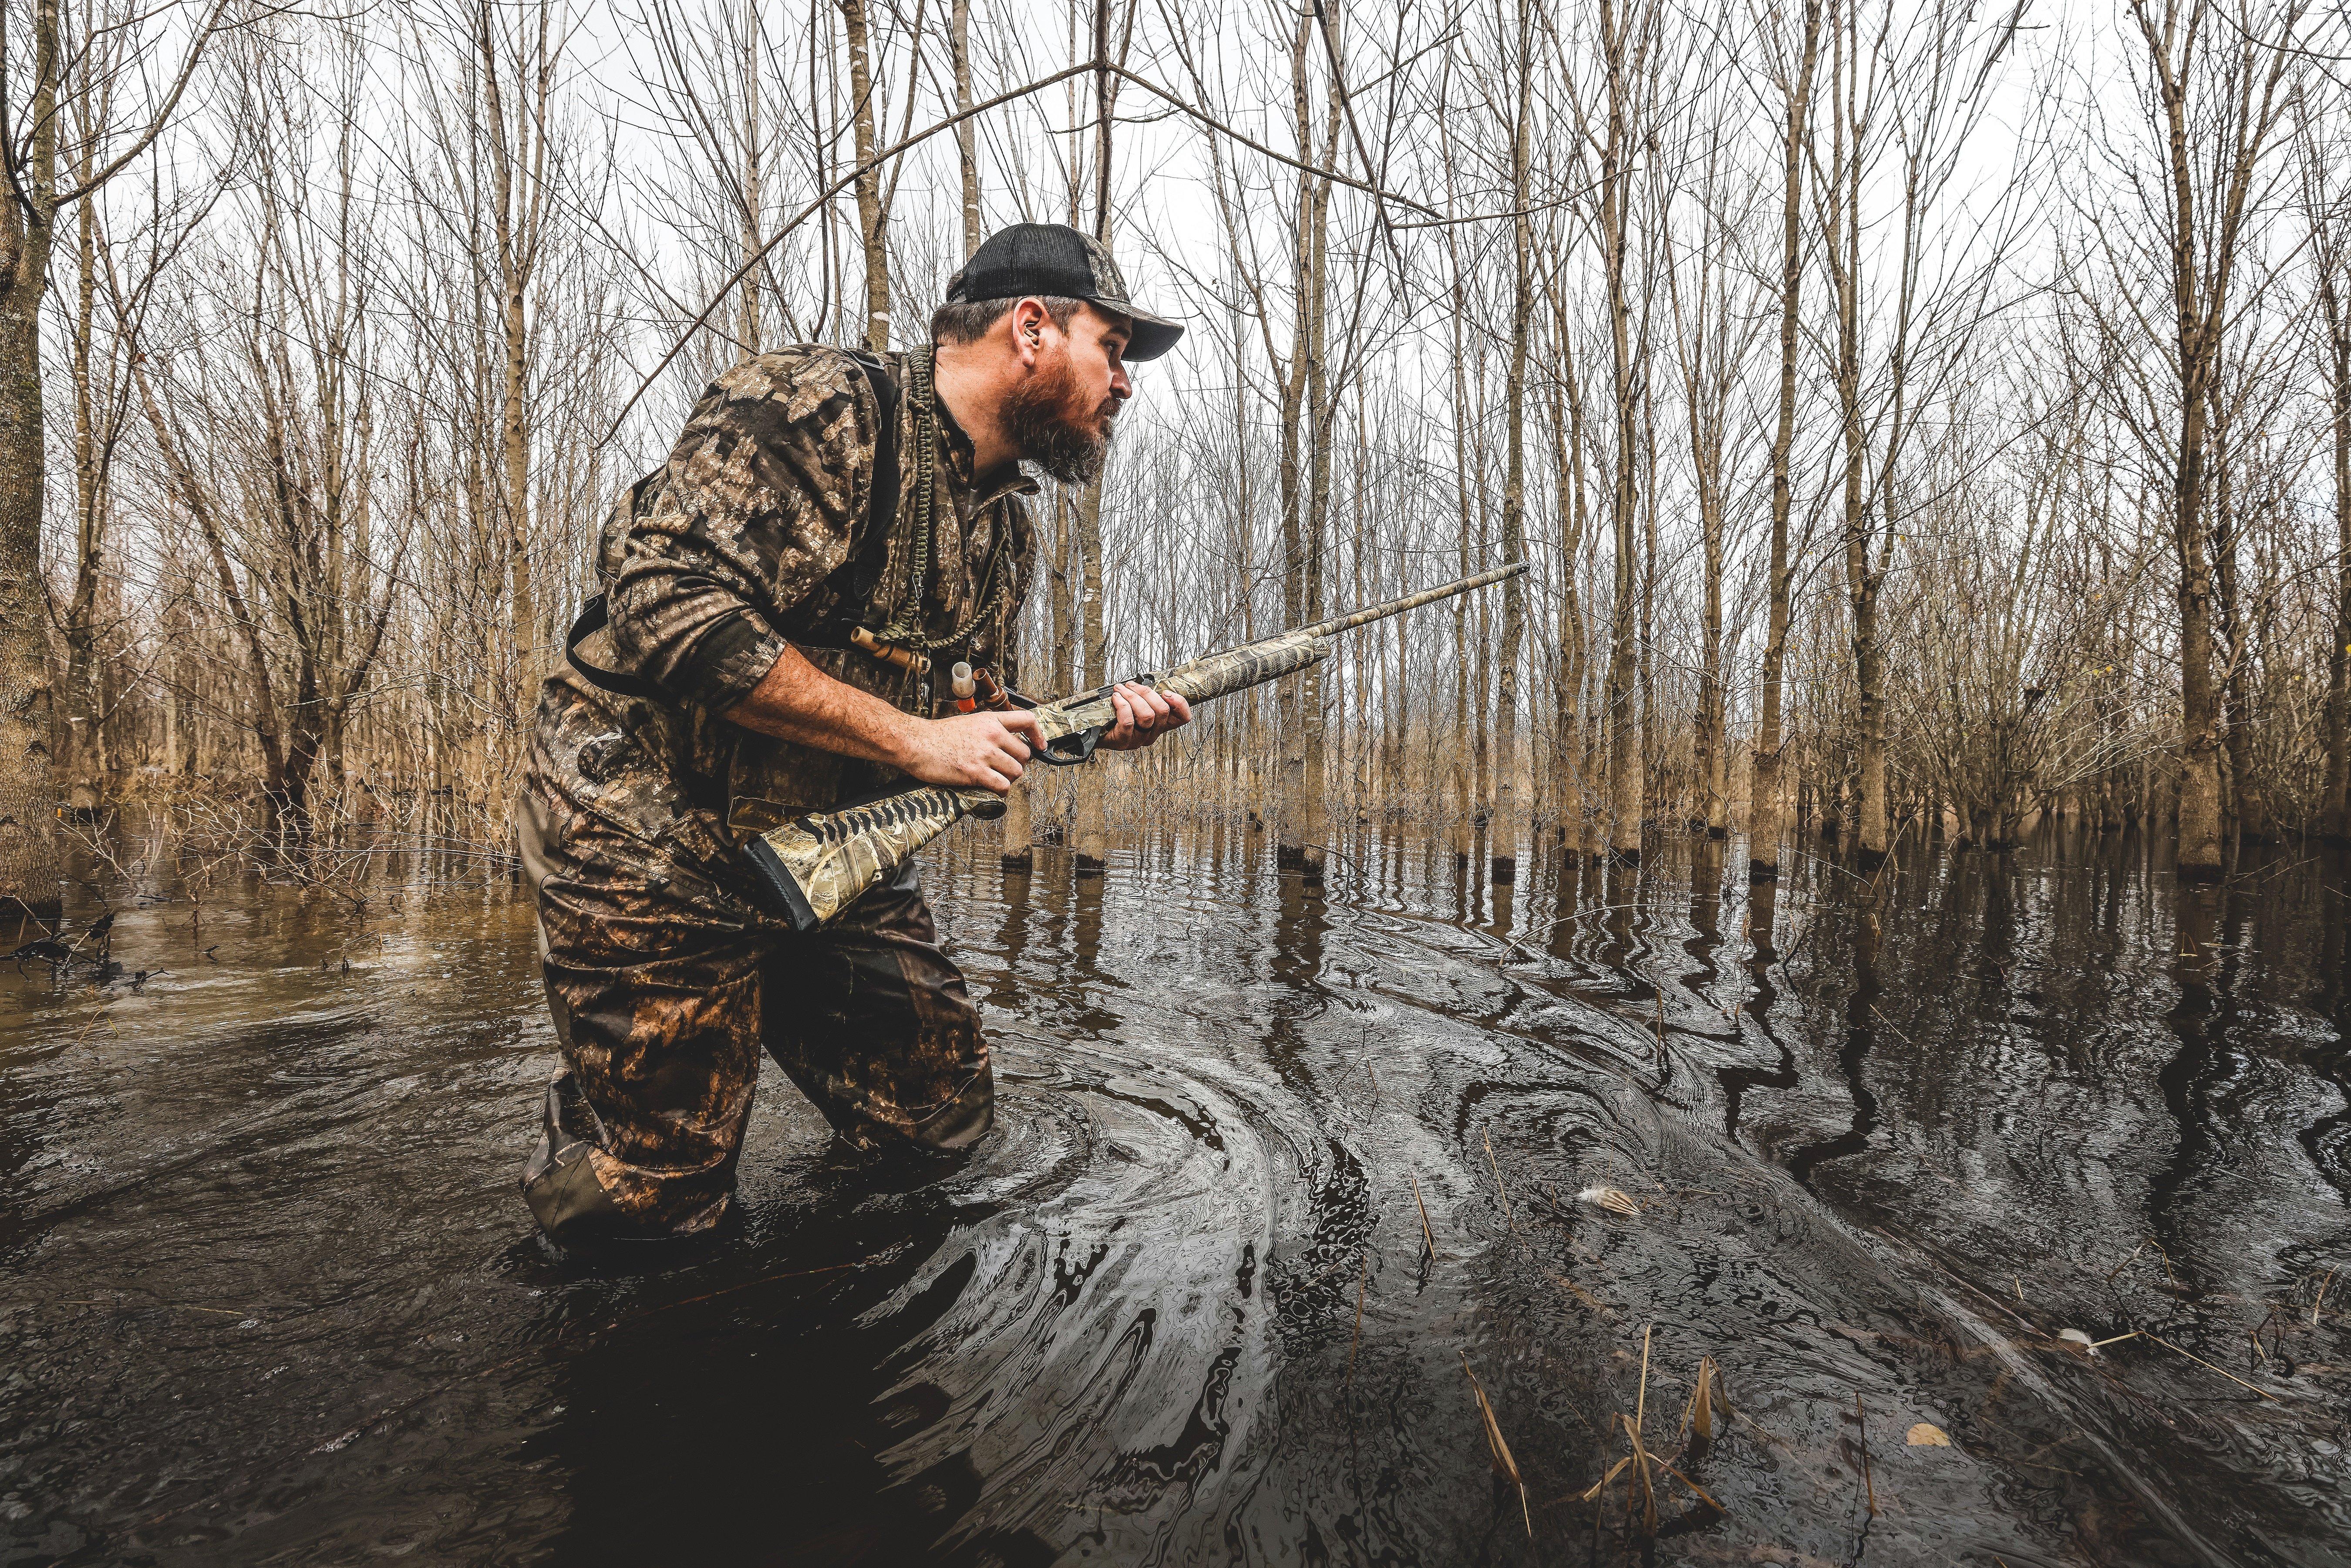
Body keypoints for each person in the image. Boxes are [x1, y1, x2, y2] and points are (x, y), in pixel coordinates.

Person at [515, 224, 1191, 1244]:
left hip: (827, 854)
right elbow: (659, 601)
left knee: (941, 1124)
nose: (1126, 383)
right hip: (646, 828)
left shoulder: (1006, 531)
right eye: (1115, 348)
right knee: (656, 1203)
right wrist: (915, 744)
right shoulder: (818, 407)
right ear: (1034, 328)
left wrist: (1087, 724)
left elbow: (964, 712)